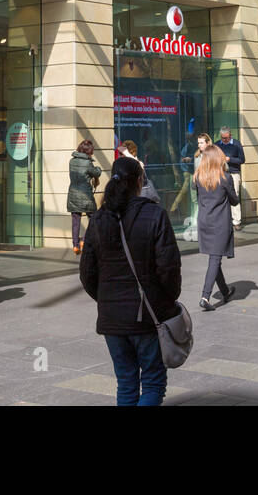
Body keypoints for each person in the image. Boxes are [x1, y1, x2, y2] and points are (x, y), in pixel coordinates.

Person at [79, 156, 182, 406]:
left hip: (112, 318)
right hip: (146, 316)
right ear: (139, 181)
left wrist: (105, 298)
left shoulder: (99, 219)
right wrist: (166, 300)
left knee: (125, 383)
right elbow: (168, 268)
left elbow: (87, 273)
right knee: (153, 381)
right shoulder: (154, 214)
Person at [194, 144, 238, 310]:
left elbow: (198, 196)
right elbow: (234, 200)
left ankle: (225, 292)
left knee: (215, 257)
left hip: (204, 222)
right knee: (215, 258)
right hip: (220, 223)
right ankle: (205, 297)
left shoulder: (198, 177)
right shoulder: (225, 178)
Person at [68, 140, 103, 255]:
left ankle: (75, 245)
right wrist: (97, 168)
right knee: (94, 218)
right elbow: (96, 173)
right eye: (91, 152)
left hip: (73, 193)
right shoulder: (88, 163)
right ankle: (83, 239)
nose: (92, 154)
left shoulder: (71, 161)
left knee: (75, 221)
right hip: (86, 195)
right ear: (88, 152)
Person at [216, 126, 246, 228]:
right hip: (220, 173)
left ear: (230, 136)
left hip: (234, 173)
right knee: (221, 196)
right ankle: (225, 220)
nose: (224, 140)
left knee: (234, 195)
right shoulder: (217, 145)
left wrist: (230, 159)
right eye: (222, 138)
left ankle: (236, 221)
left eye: (226, 138)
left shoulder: (237, 144)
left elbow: (242, 160)